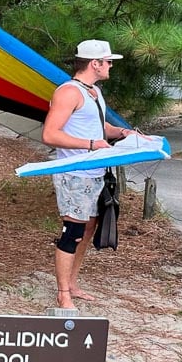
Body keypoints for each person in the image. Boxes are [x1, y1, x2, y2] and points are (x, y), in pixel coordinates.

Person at [42, 39, 136, 309]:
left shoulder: (93, 91)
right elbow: (50, 134)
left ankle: (72, 283)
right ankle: (63, 294)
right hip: (75, 174)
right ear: (94, 64)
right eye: (108, 62)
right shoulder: (69, 92)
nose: (110, 66)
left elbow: (95, 126)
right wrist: (92, 145)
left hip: (96, 173)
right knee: (72, 231)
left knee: (88, 228)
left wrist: (120, 133)